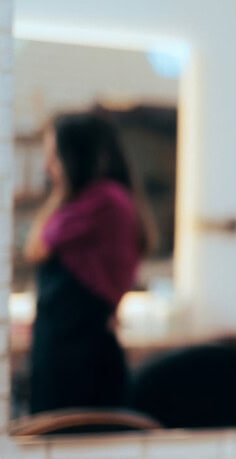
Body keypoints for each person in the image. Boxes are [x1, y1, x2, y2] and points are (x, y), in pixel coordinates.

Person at [23, 111, 156, 414]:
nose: (46, 167)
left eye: (54, 157)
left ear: (75, 157)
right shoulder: (108, 200)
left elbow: (36, 247)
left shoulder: (103, 202)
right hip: (70, 352)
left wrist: (60, 192)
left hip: (77, 360)